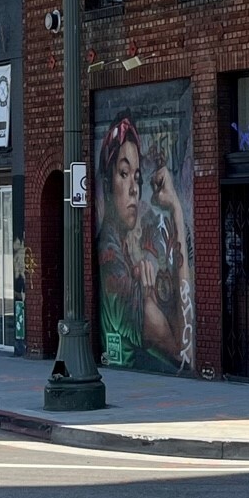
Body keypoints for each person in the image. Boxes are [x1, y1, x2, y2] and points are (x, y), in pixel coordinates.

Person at [95, 116, 192, 373]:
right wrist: (176, 212)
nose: (134, 188)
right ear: (106, 185)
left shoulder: (124, 248)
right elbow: (185, 352)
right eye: (124, 174)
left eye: (137, 177)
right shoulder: (111, 263)